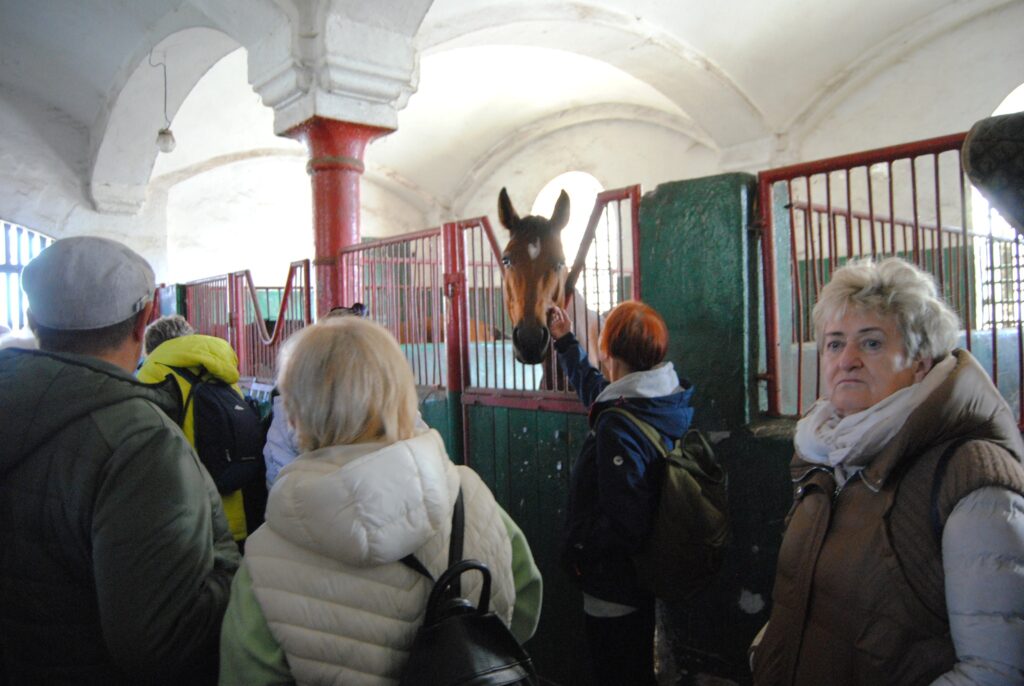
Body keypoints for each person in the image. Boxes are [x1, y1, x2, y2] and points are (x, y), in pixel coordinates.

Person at [219, 317, 542, 685]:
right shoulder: (469, 496)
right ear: (402, 394)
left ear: (294, 413)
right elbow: (525, 599)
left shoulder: (266, 558)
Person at [751, 257, 1024, 685]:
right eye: (834, 343)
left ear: (920, 360)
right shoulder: (825, 456)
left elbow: (995, 671)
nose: (848, 360)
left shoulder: (969, 475)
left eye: (872, 343)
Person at [0, 236, 240, 685]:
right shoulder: (139, 441)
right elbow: (163, 641)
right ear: (143, 321)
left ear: (34, 320)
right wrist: (231, 570)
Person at [548, 299, 694, 686]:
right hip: (644, 575)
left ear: (607, 349)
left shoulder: (618, 424)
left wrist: (579, 550)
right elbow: (601, 394)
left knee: (615, 670)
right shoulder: (661, 400)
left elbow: (625, 523)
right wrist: (566, 344)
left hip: (612, 582)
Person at [138, 315, 267, 549]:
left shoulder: (153, 374)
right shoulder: (221, 369)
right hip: (239, 509)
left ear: (150, 347)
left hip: (186, 519)